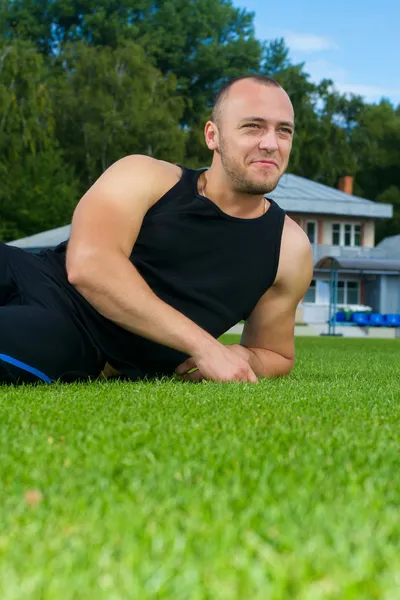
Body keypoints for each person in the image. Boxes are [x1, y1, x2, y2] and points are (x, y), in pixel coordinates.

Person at [0, 75, 313, 385]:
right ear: (212, 136)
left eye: (283, 131)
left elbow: (275, 353)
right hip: (28, 271)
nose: (271, 143)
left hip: (73, 335)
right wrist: (204, 346)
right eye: (253, 127)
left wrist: (243, 358)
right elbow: (89, 266)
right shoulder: (145, 176)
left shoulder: (288, 249)